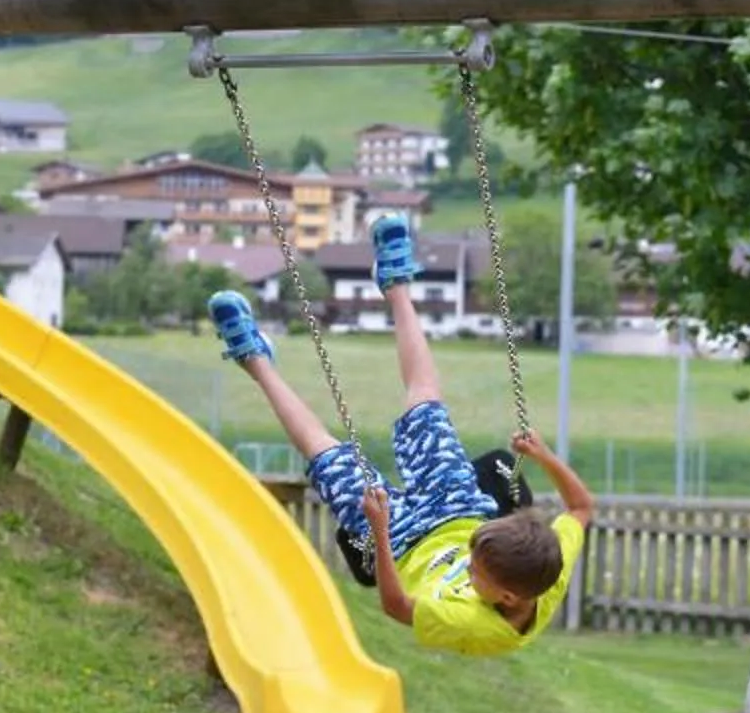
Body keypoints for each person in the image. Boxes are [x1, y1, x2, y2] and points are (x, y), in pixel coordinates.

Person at [209, 212, 594, 658]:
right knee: (424, 405)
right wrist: (543, 455)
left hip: (401, 540)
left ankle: (253, 359)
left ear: (506, 598)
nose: (466, 566)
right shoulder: (551, 567)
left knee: (329, 459)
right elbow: (582, 506)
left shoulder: (473, 624)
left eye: (473, 571)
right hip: (460, 510)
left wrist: (379, 528)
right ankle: (397, 285)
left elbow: (396, 606)